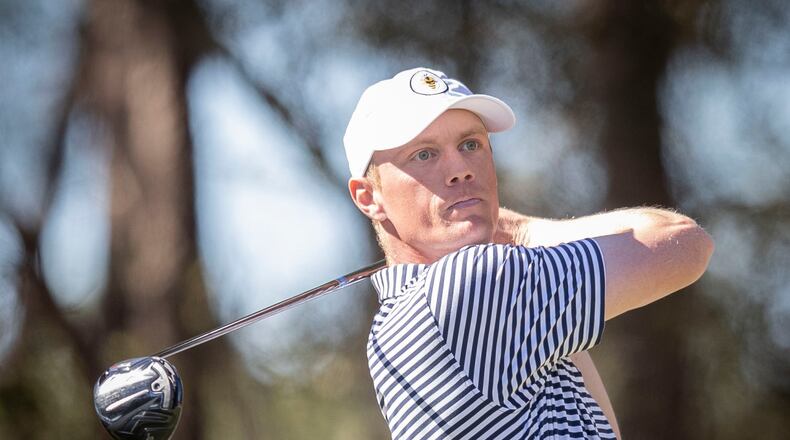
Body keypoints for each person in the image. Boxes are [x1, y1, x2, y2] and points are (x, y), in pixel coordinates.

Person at [342, 67, 714, 439]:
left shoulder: (389, 332)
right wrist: (522, 229)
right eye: (423, 154)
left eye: (471, 144)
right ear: (368, 197)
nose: (460, 170)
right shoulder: (473, 284)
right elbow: (684, 243)